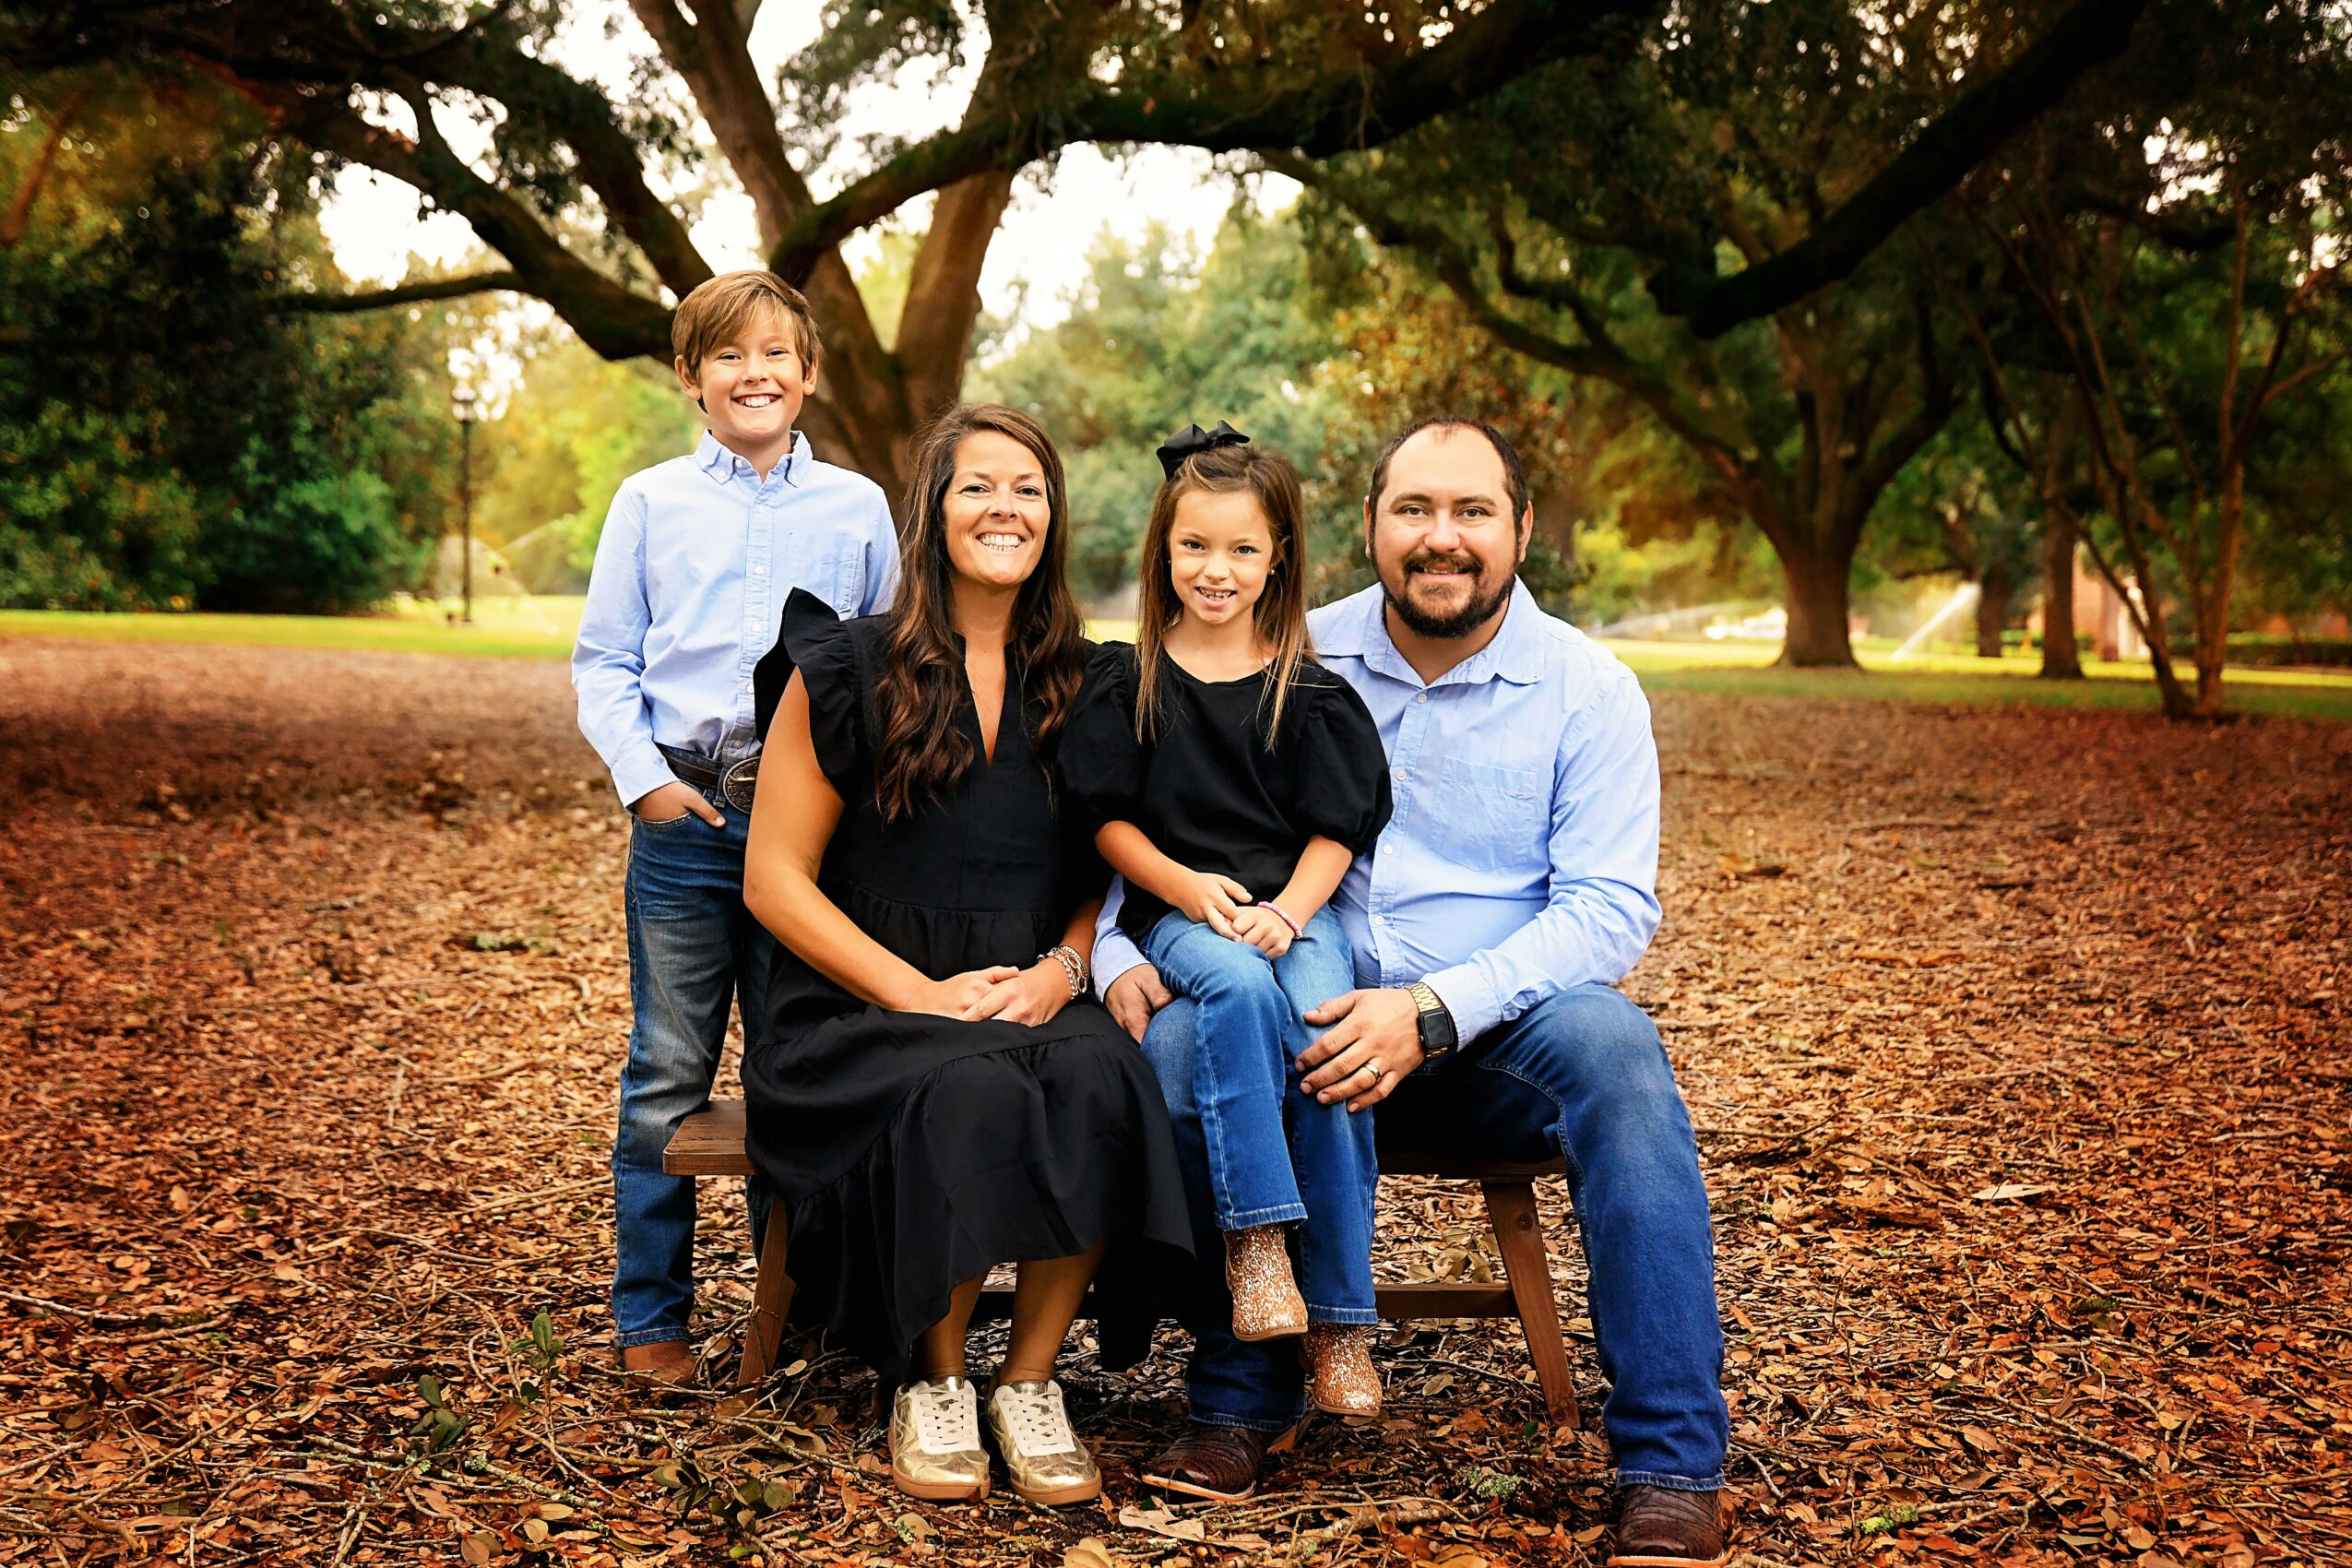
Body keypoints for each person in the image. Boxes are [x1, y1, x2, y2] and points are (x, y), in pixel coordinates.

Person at [1098, 419, 1736, 1566]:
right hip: (1297, 1018)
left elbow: (1608, 908)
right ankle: (1243, 1387)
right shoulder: (1288, 644)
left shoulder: (1586, 688)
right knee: (1192, 1035)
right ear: (1370, 526)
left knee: (1622, 1057)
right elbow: (1134, 805)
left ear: (1521, 527)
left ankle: (1671, 1461)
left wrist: (1434, 1008)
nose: (1442, 538)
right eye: (1414, 511)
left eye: (1473, 511)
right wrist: (1108, 957)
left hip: (1494, 1037)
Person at [738, 403, 1193, 1508]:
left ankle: (1029, 1382)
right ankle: (934, 1379)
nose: (1005, 506)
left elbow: (1098, 862)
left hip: (1027, 975)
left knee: (1102, 1073)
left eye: (1028, 488)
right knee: (961, 1083)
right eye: (978, 485)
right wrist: (919, 994)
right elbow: (774, 879)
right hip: (860, 998)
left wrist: (1065, 969)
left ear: (1055, 517)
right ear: (932, 511)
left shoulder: (1088, 679)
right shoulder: (845, 664)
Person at [572, 270, 898, 1390]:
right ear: (690, 378)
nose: (753, 373)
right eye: (728, 356)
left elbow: (892, 663)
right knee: (667, 1066)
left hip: (807, 831)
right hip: (688, 810)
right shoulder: (652, 502)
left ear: (806, 374)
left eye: (774, 355)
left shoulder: (857, 508)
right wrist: (643, 783)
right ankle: (650, 1315)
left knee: (796, 1067)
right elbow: (604, 663)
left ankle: (792, 1314)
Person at [1063, 423, 1391, 1418]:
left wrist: (1292, 913)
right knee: (1239, 987)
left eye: (1243, 548)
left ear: (1279, 555)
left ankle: (1338, 1316)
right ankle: (1254, 1239)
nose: (1217, 568)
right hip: (1182, 912)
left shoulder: (1311, 690)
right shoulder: (1129, 681)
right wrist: (1187, 883)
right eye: (1195, 545)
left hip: (1294, 914)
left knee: (1331, 1034)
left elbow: (1339, 828)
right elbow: (1104, 820)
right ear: (1164, 548)